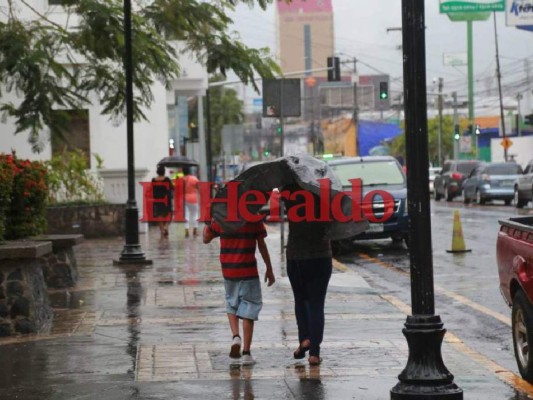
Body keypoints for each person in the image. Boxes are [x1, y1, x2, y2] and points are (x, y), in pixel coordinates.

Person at [203, 218, 275, 365]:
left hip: (228, 269)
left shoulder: (222, 218)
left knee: (231, 302)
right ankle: (247, 353)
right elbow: (261, 245)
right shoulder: (254, 218)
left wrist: (208, 224)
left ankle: (236, 336)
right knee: (250, 306)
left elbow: (206, 239)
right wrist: (269, 268)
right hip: (248, 270)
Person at [283, 188, 332, 366]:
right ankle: (314, 354)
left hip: (296, 256)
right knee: (316, 304)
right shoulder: (323, 191)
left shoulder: (289, 192)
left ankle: (304, 338)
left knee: (300, 300)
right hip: (320, 255)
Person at [151, 164, 173, 238]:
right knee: (168, 214)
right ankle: (166, 226)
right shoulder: (167, 179)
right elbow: (172, 188)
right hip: (166, 199)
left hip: (157, 199)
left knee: (159, 214)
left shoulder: (154, 180)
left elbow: (151, 189)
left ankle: (162, 230)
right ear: (164, 172)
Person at [182, 166, 200, 238]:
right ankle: (195, 230)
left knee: (186, 215)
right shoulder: (194, 178)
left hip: (185, 199)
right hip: (194, 199)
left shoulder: (181, 180)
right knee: (195, 214)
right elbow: (199, 188)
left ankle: (186, 230)